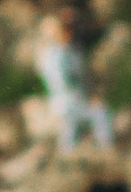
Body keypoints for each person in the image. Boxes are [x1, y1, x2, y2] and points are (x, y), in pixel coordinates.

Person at [34, 8, 114, 153]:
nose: (71, 32)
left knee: (70, 133)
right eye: (67, 29)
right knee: (99, 113)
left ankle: (69, 157)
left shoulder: (62, 52)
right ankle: (106, 149)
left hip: (67, 101)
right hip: (69, 101)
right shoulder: (57, 55)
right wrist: (87, 97)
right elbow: (64, 82)